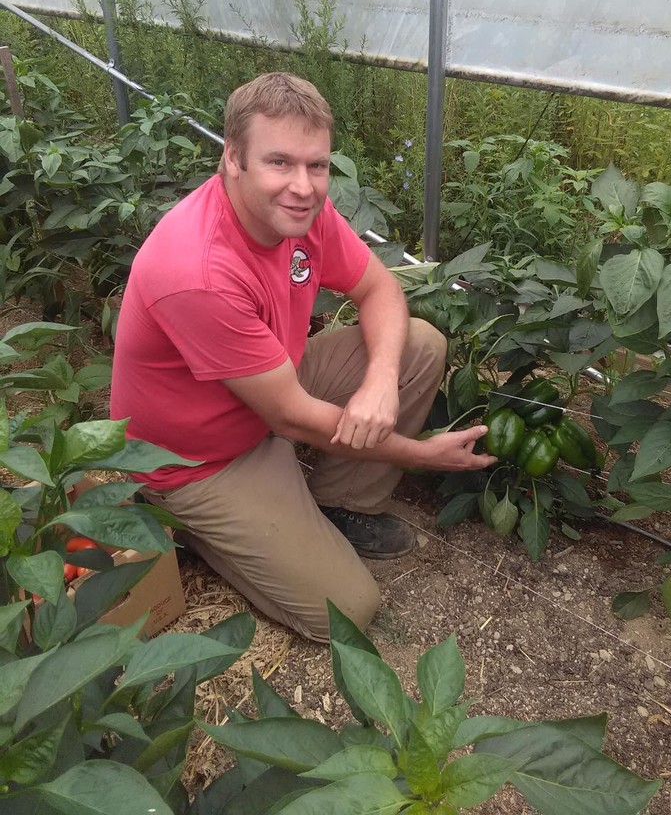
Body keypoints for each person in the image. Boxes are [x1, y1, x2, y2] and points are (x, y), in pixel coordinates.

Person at [110, 72, 495, 642]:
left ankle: (339, 501)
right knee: (346, 611)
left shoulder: (301, 212)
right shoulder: (198, 271)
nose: (303, 186)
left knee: (418, 345)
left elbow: (379, 289)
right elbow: (292, 417)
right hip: (199, 458)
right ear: (232, 158)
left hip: (270, 384)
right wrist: (421, 455)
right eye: (280, 162)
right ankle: (193, 524)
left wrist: (380, 381)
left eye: (317, 165)